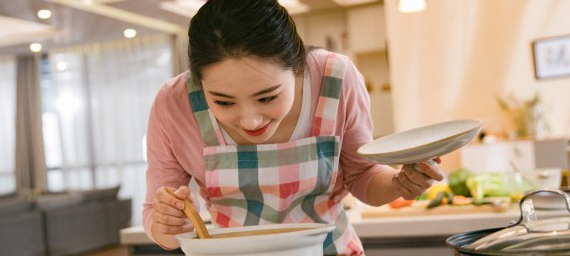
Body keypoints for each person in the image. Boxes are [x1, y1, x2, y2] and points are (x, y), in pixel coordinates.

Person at [143, 0, 443, 255]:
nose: (250, 120)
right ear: (197, 81)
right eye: (223, 102)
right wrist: (168, 224)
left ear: (299, 67)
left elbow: (363, 176)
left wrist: (399, 184)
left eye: (267, 97)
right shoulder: (174, 104)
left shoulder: (334, 79)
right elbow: (156, 217)